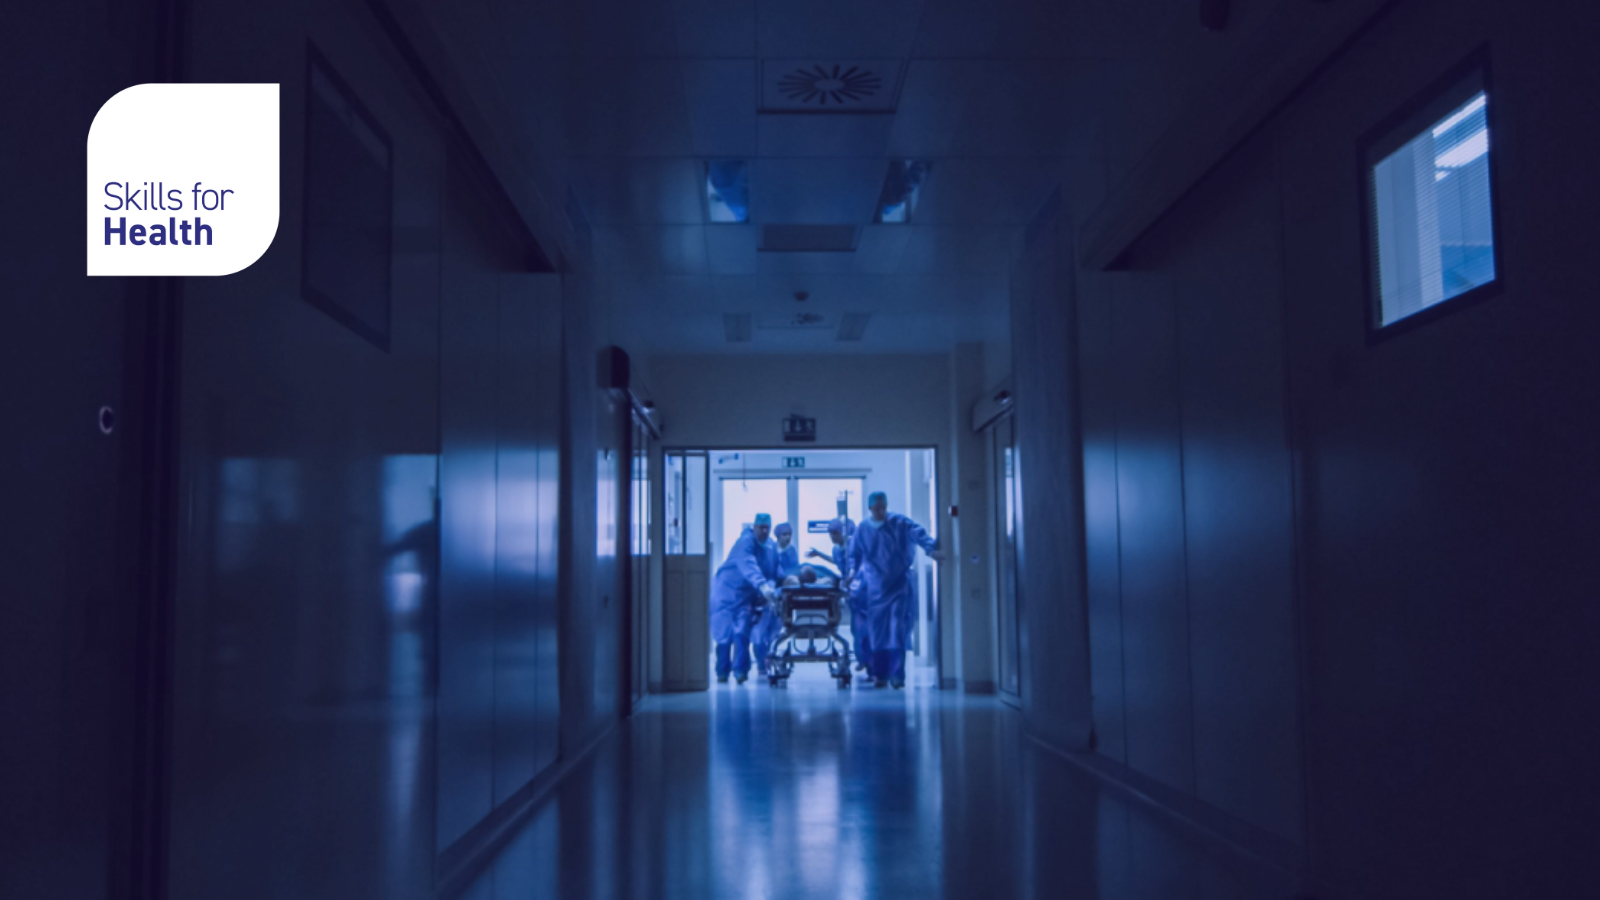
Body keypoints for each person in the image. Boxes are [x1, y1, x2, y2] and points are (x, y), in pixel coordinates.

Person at [847, 492, 943, 689]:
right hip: (875, 588)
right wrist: (850, 573)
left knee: (897, 629)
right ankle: (879, 675)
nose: (881, 511)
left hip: (899, 585)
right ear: (870, 509)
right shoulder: (863, 529)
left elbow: (918, 533)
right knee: (877, 633)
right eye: (877, 508)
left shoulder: (899, 523)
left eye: (883, 507)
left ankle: (897, 675)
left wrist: (931, 549)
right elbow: (854, 555)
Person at [709, 513, 780, 685]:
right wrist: (762, 586)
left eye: (767, 528)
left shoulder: (770, 547)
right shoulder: (745, 542)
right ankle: (722, 672)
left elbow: (773, 570)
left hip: (746, 596)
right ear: (754, 527)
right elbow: (748, 565)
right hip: (725, 594)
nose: (764, 531)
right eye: (760, 528)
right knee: (724, 636)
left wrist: (772, 586)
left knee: (742, 633)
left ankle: (741, 671)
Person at [809, 517, 867, 674]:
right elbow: (836, 561)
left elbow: (856, 565)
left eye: (835, 533)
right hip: (850, 590)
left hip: (862, 589)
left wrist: (851, 577)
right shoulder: (836, 549)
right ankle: (863, 660)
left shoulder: (853, 547)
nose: (832, 537)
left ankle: (870, 662)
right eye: (830, 534)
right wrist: (819, 554)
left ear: (843, 532)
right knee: (857, 628)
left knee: (865, 628)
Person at [750, 522, 796, 679]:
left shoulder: (791, 552)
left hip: (781, 595)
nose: (788, 537)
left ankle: (768, 660)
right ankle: (761, 663)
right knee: (759, 633)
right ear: (777, 536)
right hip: (764, 596)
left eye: (790, 534)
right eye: (784, 534)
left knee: (773, 633)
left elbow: (792, 574)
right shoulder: (769, 550)